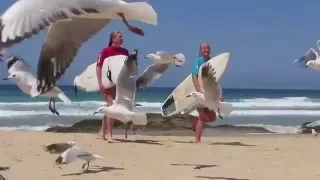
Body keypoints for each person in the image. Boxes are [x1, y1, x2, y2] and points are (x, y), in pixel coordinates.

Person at [96, 17, 143, 142]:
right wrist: (100, 82)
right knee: (112, 107)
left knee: (110, 108)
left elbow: (127, 69)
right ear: (113, 39)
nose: (122, 38)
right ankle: (109, 135)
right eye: (120, 36)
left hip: (120, 84)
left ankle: (102, 131)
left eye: (122, 37)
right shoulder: (105, 51)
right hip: (108, 83)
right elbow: (99, 66)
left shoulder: (125, 51)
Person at [191, 42, 223, 143]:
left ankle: (195, 123)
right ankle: (197, 140)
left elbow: (214, 80)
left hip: (210, 91)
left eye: (208, 48)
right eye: (204, 48)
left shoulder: (212, 61)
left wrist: (220, 94)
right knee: (203, 116)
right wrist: (198, 90)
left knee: (212, 117)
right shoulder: (198, 61)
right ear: (200, 50)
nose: (206, 50)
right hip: (201, 91)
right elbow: (194, 75)